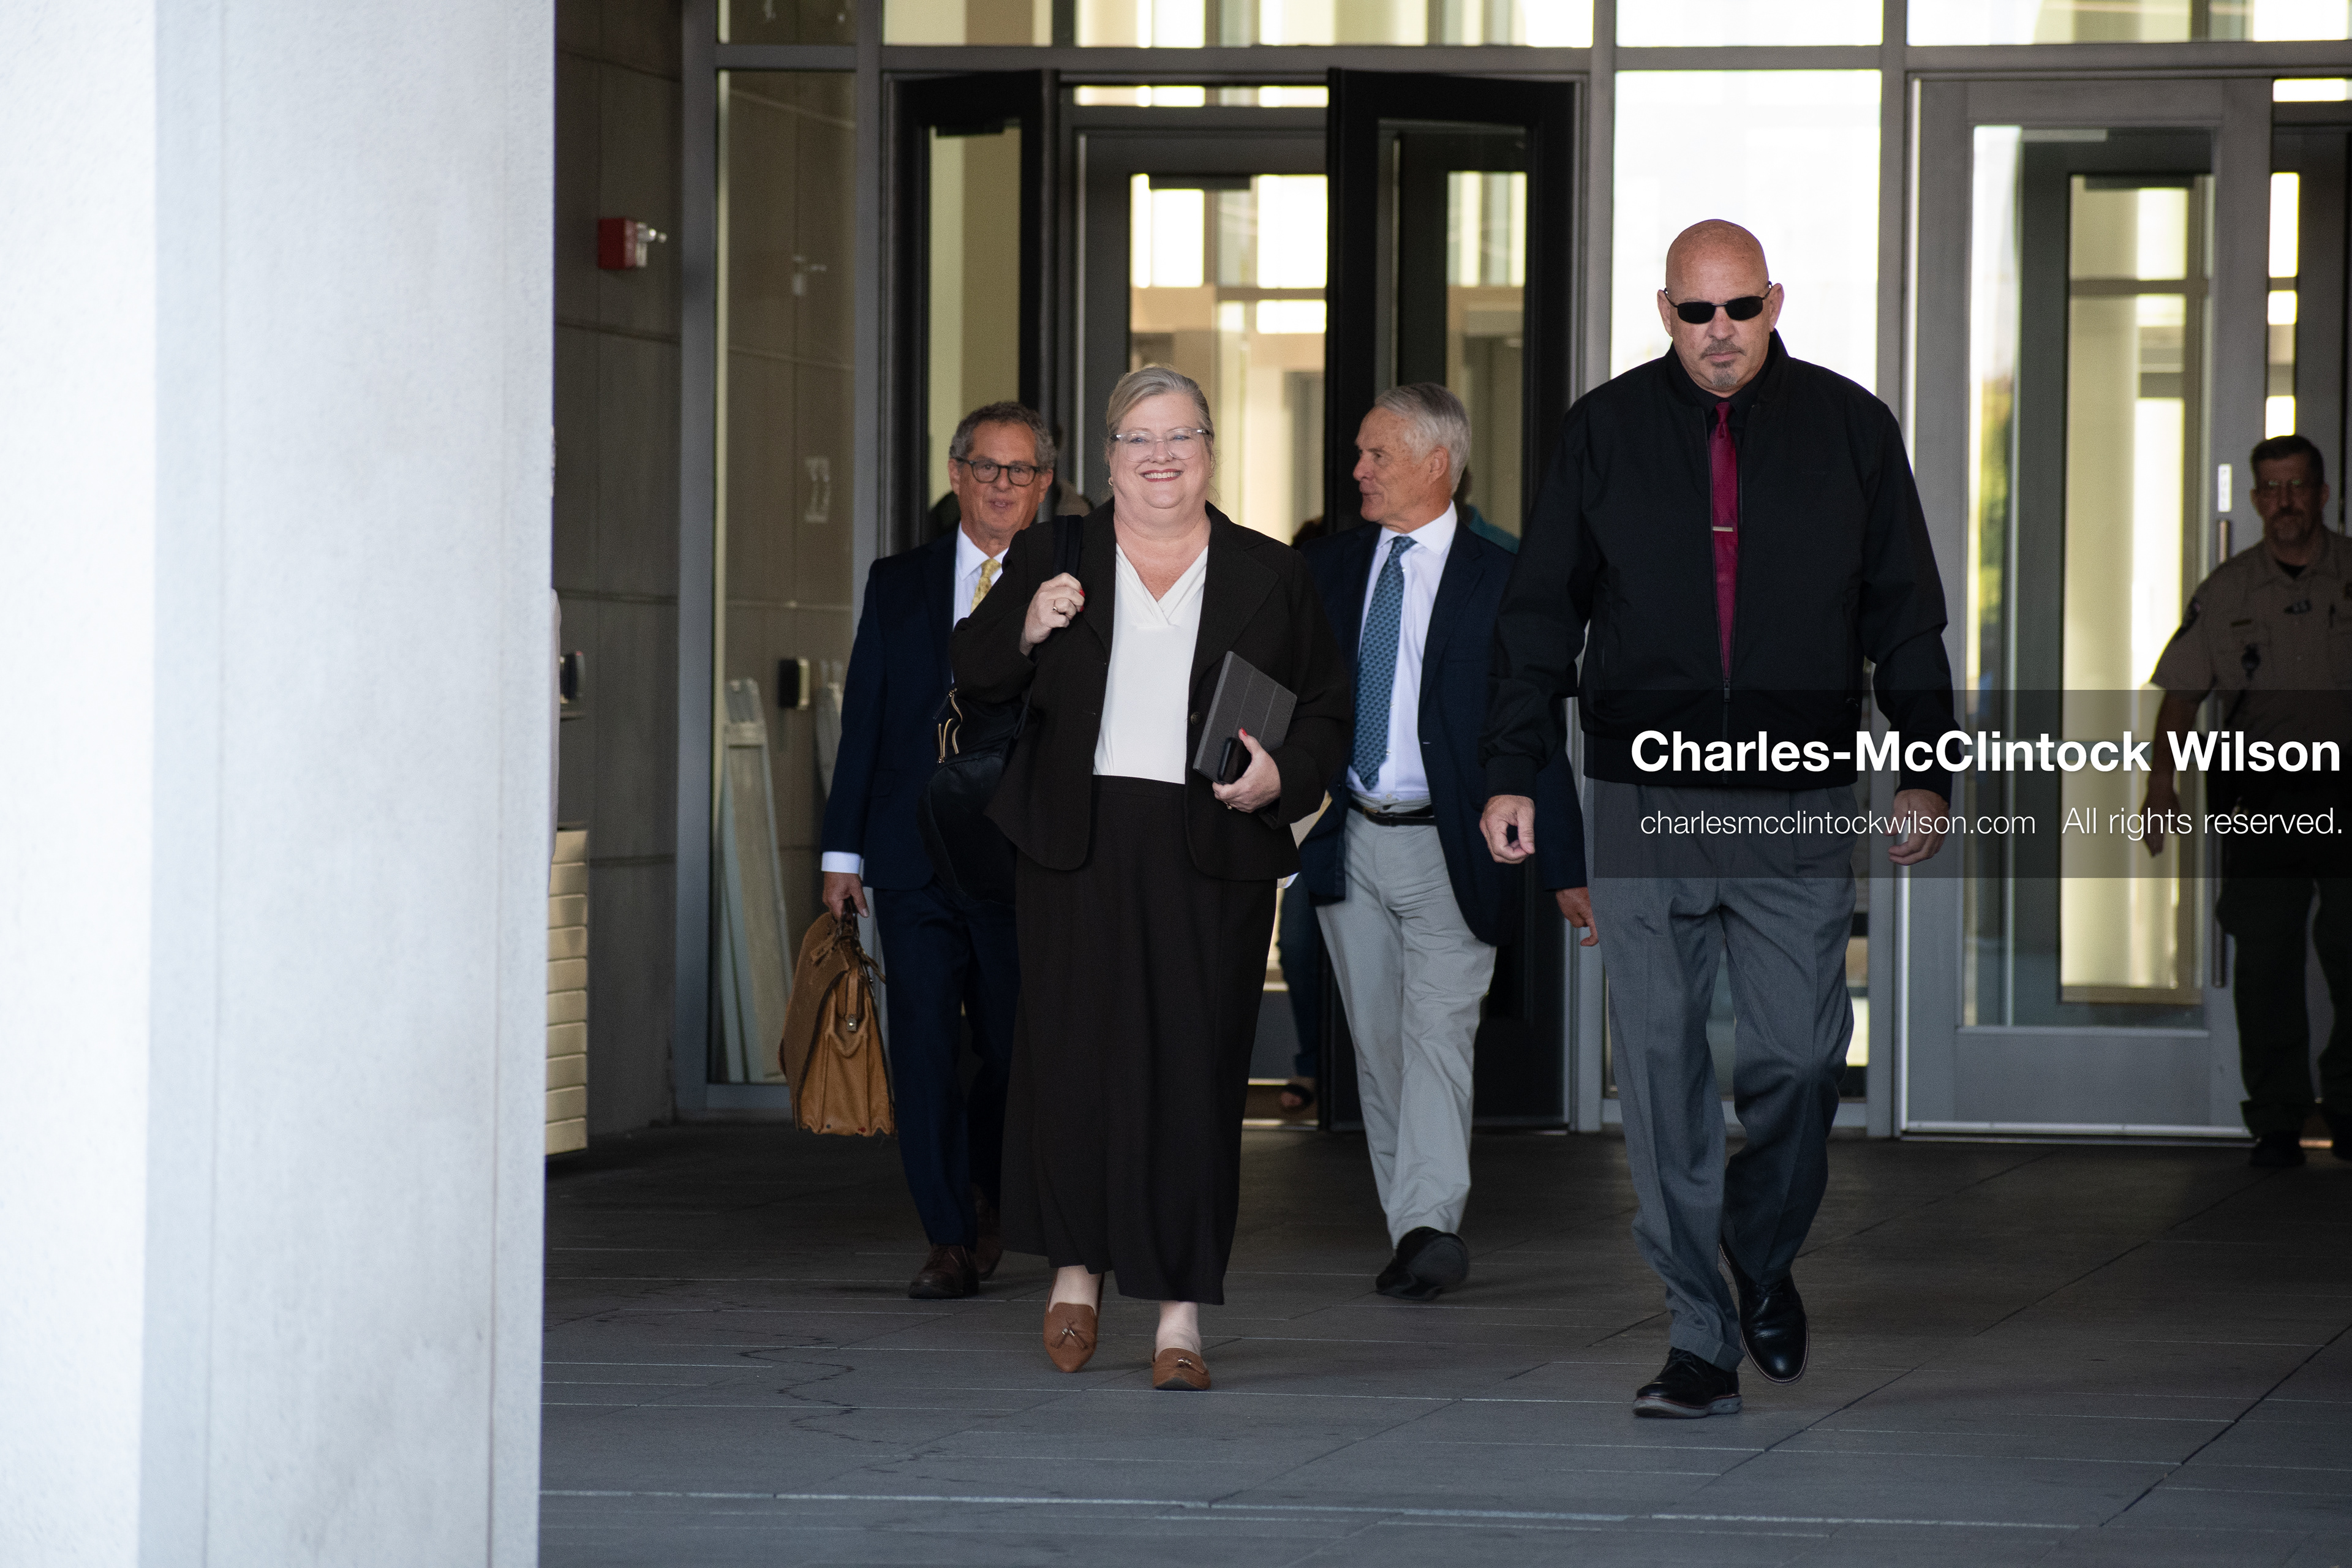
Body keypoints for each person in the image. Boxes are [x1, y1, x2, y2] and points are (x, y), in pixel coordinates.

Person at [1480, 221, 1958, 1419]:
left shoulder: (1851, 428)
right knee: (1660, 1070)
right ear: (1664, 312)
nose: (1721, 334)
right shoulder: (1603, 430)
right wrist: (1511, 769)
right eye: (1697, 313)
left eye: (1740, 308)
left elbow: (1905, 613)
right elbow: (1540, 614)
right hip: (1645, 792)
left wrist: (1927, 764)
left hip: (1796, 792)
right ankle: (1699, 1334)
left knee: (1798, 1059)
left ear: (1774, 300)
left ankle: (1760, 1243)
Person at [952, 365, 1348, 1391]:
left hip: (1206, 845)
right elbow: (976, 669)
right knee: (1070, 1058)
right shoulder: (1054, 551)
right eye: (1140, 439)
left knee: (1193, 1069)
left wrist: (1278, 779)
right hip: (1074, 840)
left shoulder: (1270, 573)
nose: (1162, 457)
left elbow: (1328, 716)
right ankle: (1075, 1279)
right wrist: (1027, 621)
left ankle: (1179, 1318)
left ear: (1209, 452)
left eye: (1181, 437)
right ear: (1109, 460)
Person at [1298, 383, 1586, 1301]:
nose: (1358, 472)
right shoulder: (1329, 571)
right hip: (1347, 839)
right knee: (1380, 1047)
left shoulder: (1503, 580)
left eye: (1377, 455)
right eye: (1359, 453)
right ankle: (1412, 1225)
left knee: (1436, 1035)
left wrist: (1567, 868)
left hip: (1451, 848)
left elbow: (1530, 724)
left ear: (1436, 463)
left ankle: (1429, 1224)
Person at [821, 401, 1055, 1300]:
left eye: (1021, 471)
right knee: (922, 1040)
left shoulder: (1070, 581)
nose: (1003, 485)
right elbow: (868, 722)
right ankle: (948, 1235)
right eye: (987, 468)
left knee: (1007, 1043)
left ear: (1044, 488)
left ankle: (991, 1192)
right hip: (910, 853)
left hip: (1013, 853)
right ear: (956, 476)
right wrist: (844, 856)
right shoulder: (899, 582)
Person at [2141, 432, 2352, 1169]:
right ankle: (2278, 1120)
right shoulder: (2228, 588)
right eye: (2271, 488)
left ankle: (2350, 1108)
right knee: (2265, 955)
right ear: (2257, 498)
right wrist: (2160, 784)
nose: (2284, 502)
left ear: (2323, 494)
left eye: (2297, 487)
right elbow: (2181, 699)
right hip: (2260, 786)